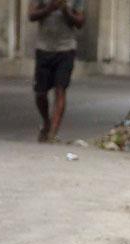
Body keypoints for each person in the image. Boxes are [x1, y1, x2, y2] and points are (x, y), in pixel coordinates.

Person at [29, 0, 85, 143]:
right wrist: (49, 8)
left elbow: (80, 22)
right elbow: (31, 15)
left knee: (60, 89)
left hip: (66, 49)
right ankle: (46, 122)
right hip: (44, 48)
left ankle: (52, 133)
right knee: (40, 93)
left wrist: (65, 10)